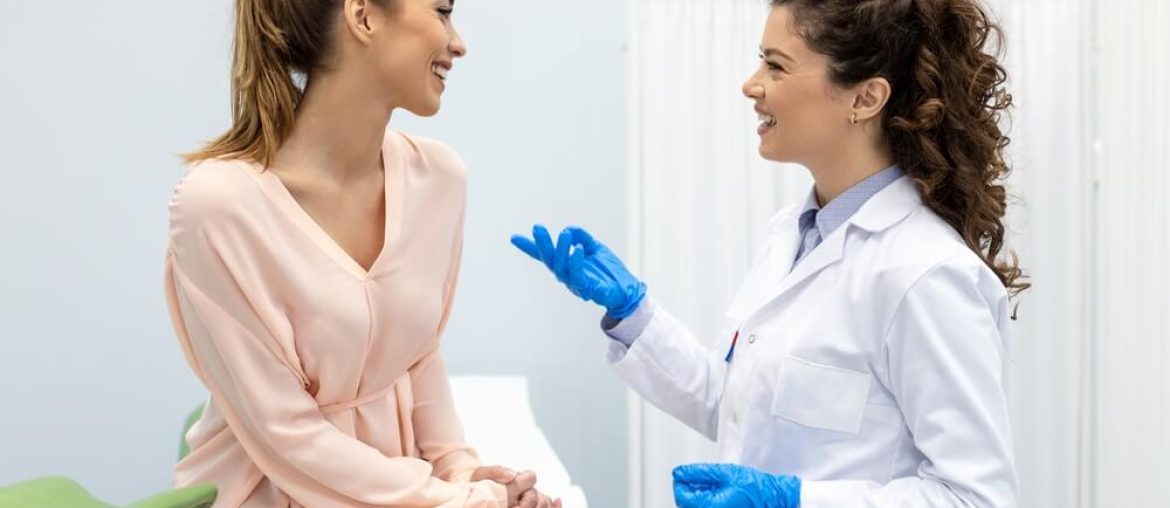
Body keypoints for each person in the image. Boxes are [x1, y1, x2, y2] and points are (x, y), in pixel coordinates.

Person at [512, 0, 1025, 506]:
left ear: (865, 98)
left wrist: (794, 500)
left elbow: (975, 497)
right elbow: (737, 406)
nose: (751, 84)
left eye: (776, 66)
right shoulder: (792, 235)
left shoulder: (925, 272)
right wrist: (633, 317)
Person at [167, 0, 556, 506]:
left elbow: (418, 354)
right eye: (441, 11)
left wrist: (462, 471)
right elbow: (286, 433)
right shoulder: (218, 206)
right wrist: (459, 501)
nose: (457, 43)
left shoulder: (438, 177)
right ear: (364, 16)